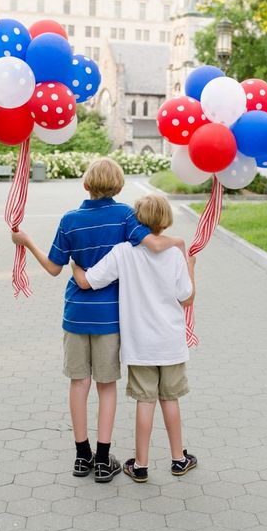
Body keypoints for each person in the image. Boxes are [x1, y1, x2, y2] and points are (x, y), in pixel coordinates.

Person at [11, 159, 185, 483]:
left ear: (85, 184)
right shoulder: (125, 216)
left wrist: (25, 241)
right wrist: (178, 243)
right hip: (110, 318)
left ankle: (81, 455)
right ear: (119, 186)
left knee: (78, 383)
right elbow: (152, 244)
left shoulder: (70, 220)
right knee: (107, 386)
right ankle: (104, 460)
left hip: (75, 314)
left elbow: (53, 268)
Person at [72, 194, 197, 483]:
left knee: (145, 401)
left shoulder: (123, 252)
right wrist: (192, 265)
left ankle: (140, 465)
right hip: (170, 344)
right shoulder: (175, 254)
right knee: (171, 399)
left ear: (136, 220)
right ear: (166, 221)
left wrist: (75, 266)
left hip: (140, 345)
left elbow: (89, 282)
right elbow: (186, 299)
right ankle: (179, 459)